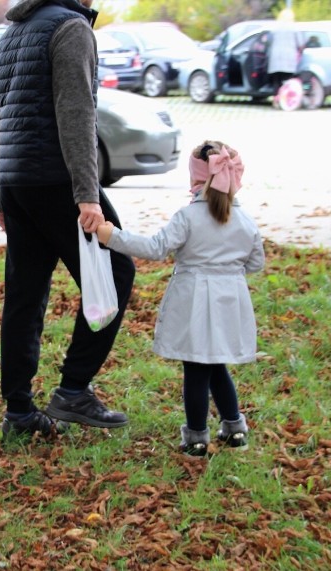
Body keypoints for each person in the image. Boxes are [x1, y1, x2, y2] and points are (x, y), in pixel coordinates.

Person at [0, 0, 136, 439]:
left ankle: (19, 412)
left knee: (25, 294)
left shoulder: (12, 33)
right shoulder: (71, 28)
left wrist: (1, 189)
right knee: (118, 270)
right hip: (57, 179)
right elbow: (77, 113)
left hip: (18, 181)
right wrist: (87, 195)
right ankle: (73, 389)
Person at [97, 141, 265, 457]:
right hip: (229, 301)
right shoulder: (245, 222)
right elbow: (256, 263)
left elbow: (156, 248)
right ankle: (235, 428)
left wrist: (113, 237)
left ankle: (197, 437)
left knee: (197, 370)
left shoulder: (188, 217)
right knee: (216, 366)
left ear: (196, 177)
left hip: (195, 302)